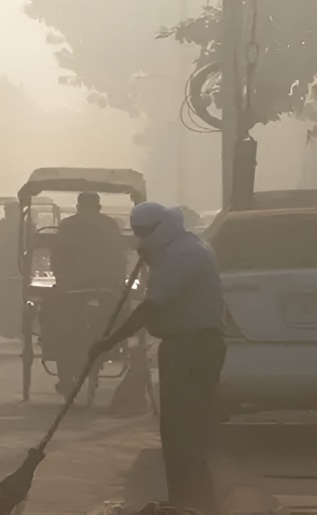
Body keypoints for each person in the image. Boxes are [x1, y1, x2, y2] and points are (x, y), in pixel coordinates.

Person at [90, 202, 225, 515]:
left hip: (192, 346)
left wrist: (110, 340)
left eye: (143, 233)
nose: (140, 240)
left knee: (182, 430)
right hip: (184, 344)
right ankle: (185, 500)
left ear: (159, 228)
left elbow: (152, 306)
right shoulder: (178, 249)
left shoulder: (183, 255)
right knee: (177, 430)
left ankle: (195, 503)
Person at [52, 192, 128, 291]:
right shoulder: (109, 224)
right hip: (105, 283)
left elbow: (57, 255)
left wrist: (61, 280)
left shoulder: (67, 224)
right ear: (99, 207)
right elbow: (118, 253)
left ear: (78, 207)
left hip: (72, 282)